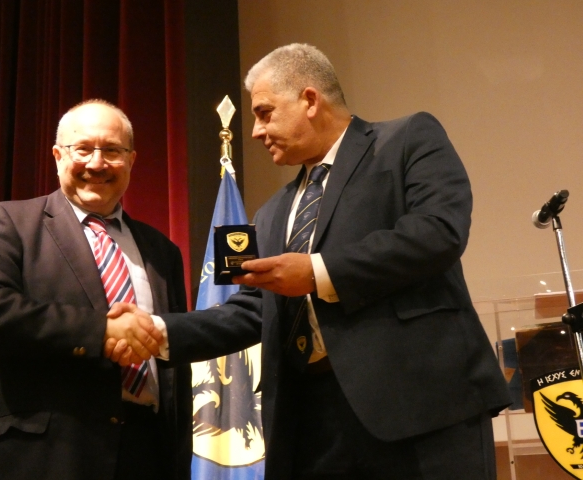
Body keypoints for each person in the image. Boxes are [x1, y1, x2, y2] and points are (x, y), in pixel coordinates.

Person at [109, 43, 512, 479]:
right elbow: (253, 311)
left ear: (310, 100)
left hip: (421, 412)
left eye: (264, 113)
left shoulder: (408, 140)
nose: (256, 132)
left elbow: (437, 232)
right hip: (310, 428)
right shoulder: (271, 213)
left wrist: (318, 272)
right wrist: (158, 331)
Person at [0, 99, 192, 480]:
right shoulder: (9, 221)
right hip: (46, 459)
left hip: (148, 456)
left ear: (131, 160)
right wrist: (101, 331)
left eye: (112, 150)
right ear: (57, 156)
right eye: (83, 149)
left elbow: (172, 367)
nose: (97, 163)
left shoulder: (163, 251)